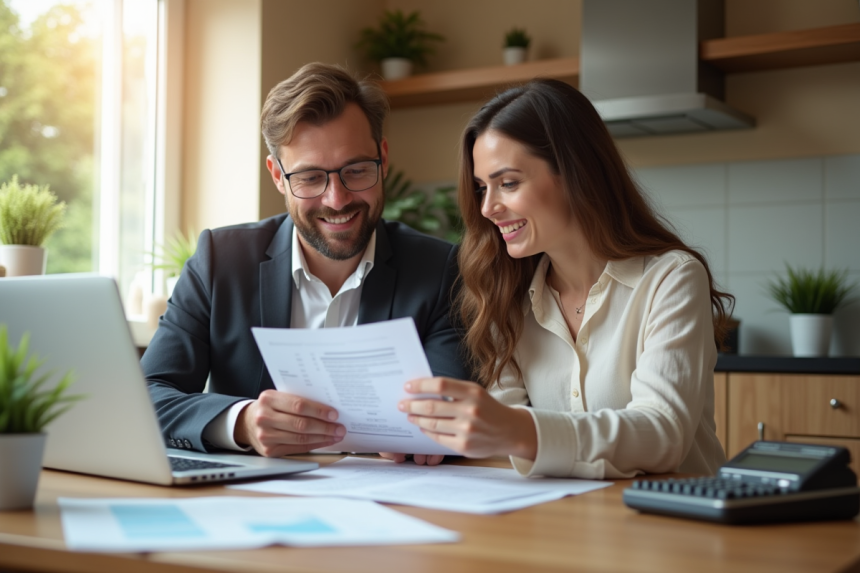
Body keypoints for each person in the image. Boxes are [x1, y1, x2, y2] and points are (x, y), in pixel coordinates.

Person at [397, 79, 733, 478]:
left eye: (508, 183)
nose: (488, 207)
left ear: (575, 172)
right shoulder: (507, 295)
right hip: (564, 525)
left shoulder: (670, 279)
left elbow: (662, 435)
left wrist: (516, 429)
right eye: (481, 188)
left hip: (672, 527)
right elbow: (500, 439)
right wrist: (421, 437)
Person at [142, 63, 468, 462]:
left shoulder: (440, 270)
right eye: (311, 178)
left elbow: (456, 412)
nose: (337, 199)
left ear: (382, 157)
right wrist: (241, 422)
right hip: (247, 507)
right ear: (277, 176)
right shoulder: (219, 261)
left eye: (356, 170)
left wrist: (432, 434)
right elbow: (148, 396)